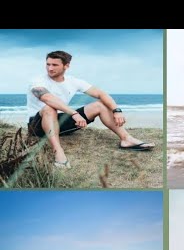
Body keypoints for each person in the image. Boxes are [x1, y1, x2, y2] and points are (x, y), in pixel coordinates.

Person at [27, 51, 155, 169]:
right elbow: (47, 98)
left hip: (60, 122)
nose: (50, 68)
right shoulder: (37, 80)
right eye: (48, 64)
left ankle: (126, 139)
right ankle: (58, 152)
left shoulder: (73, 81)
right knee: (49, 108)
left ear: (66, 66)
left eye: (55, 65)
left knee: (100, 105)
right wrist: (74, 113)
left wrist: (117, 110)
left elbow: (101, 94)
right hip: (37, 125)